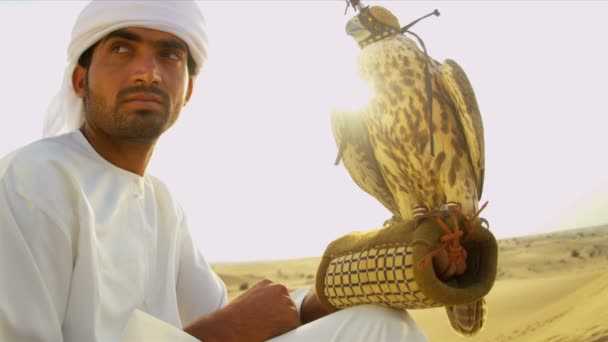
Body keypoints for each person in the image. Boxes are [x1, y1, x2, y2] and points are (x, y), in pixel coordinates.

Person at [0, 1, 428, 341]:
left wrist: (367, 281)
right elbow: (228, 329)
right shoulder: (30, 182)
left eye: (169, 55)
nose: (147, 72)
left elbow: (242, 322)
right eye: (121, 49)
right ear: (80, 80)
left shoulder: (163, 204)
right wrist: (222, 334)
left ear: (188, 89)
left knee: (379, 326)